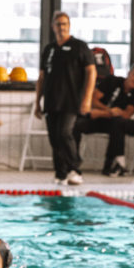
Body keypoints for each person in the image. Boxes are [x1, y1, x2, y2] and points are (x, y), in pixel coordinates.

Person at [34, 11, 96, 186]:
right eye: (58, 24)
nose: (61, 27)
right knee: (54, 138)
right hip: (51, 100)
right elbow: (41, 77)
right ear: (52, 27)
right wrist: (38, 102)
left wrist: (87, 99)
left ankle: (75, 169)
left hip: (71, 100)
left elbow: (91, 72)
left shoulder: (79, 47)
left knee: (64, 133)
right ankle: (61, 173)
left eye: (64, 24)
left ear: (69, 26)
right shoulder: (49, 50)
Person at [75, 62, 134, 176]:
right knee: (76, 124)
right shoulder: (111, 81)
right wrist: (109, 111)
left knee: (118, 124)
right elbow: (93, 101)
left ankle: (111, 165)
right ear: (129, 73)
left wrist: (101, 113)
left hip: (111, 122)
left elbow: (126, 115)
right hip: (98, 120)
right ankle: (72, 161)